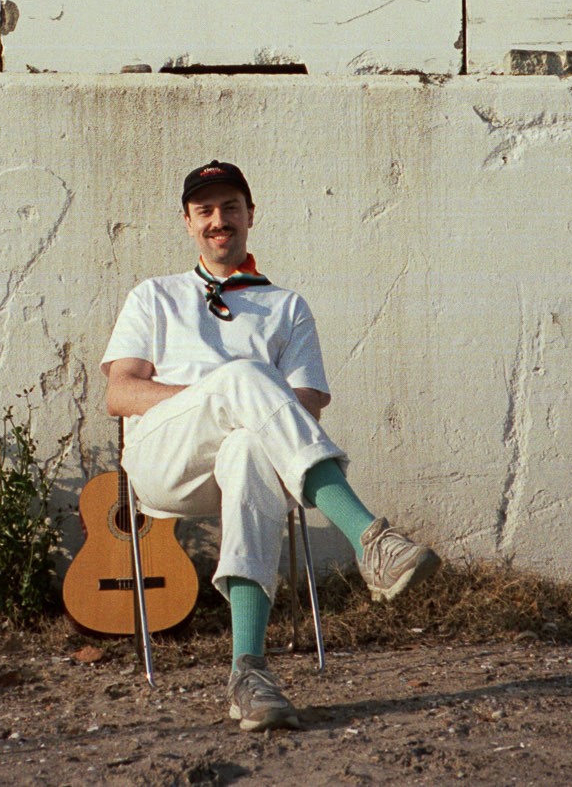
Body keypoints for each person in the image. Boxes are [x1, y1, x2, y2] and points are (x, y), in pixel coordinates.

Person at [101, 160, 440, 732]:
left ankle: (248, 674)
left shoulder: (286, 305)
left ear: (250, 215)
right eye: (204, 210)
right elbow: (120, 391)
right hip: (165, 457)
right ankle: (369, 538)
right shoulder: (154, 296)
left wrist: (243, 405)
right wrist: (217, 392)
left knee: (248, 452)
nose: (218, 220)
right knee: (244, 378)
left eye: (230, 207)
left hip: (255, 454)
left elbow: (306, 402)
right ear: (187, 222)